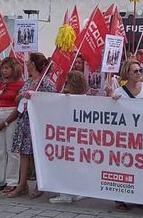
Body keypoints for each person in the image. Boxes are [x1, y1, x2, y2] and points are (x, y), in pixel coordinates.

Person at [7, 52, 56, 198]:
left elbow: (52, 101)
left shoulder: (46, 83)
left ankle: (40, 184)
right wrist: (23, 95)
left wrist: (36, 96)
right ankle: (22, 184)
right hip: (25, 120)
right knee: (24, 152)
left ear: (33, 64)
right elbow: (17, 99)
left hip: (38, 122)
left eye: (28, 61)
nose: (26, 64)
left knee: (38, 153)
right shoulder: (28, 81)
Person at [106, 60, 143, 212]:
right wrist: (111, 98)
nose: (139, 73)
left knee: (141, 167)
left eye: (140, 70)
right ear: (127, 73)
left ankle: (140, 197)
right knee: (124, 166)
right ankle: (121, 198)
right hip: (125, 137)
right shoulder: (119, 92)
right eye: (135, 71)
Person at [49, 70, 89, 205]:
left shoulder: (68, 99)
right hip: (78, 138)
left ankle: (65, 193)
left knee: (66, 164)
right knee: (77, 165)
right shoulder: (86, 99)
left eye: (67, 82)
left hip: (69, 137)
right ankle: (78, 191)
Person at [0, 57, 24, 193]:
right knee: (0, 150)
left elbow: (19, 107)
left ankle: (12, 180)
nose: (4, 71)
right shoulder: (1, 84)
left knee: (12, 149)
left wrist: (5, 122)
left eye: (7, 68)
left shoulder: (21, 84)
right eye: (3, 68)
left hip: (12, 115)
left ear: (14, 69)